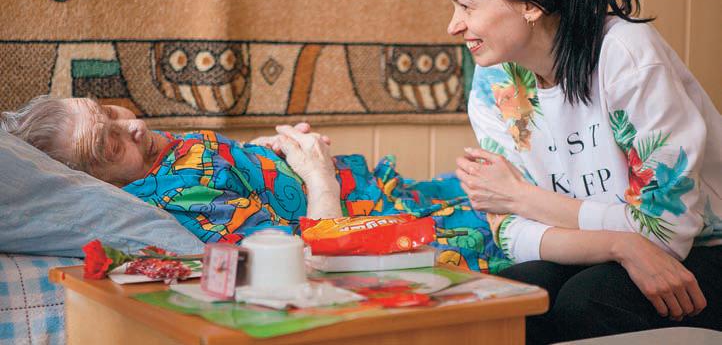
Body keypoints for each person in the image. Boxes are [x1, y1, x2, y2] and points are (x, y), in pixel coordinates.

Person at [447, 0, 722, 342]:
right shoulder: (493, 80)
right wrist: (619, 244)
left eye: (467, 6)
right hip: (609, 249)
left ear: (530, 4)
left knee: (587, 302)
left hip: (707, 248)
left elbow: (666, 233)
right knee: (512, 296)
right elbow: (510, 233)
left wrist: (523, 197)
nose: (453, 25)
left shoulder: (624, 53)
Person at [0, 96, 509, 273]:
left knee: (505, 186)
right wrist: (317, 175)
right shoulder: (176, 199)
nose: (129, 126)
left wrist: (268, 152)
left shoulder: (155, 153)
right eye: (108, 143)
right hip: (382, 228)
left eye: (107, 111)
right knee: (505, 226)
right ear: (93, 181)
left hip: (390, 189)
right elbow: (308, 261)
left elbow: (229, 170)